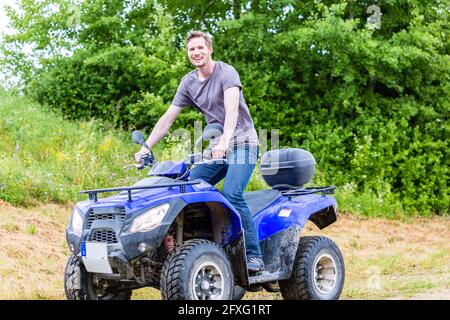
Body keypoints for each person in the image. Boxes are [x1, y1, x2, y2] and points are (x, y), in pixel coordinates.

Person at [134, 31, 264, 272]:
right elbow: (168, 118)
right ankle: (192, 247)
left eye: (200, 48)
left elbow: (232, 111)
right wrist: (146, 146)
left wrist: (225, 141)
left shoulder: (226, 73)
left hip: (243, 144)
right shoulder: (188, 82)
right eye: (191, 49)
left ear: (210, 49)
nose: (196, 53)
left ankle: (253, 255)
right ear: (188, 53)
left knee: (232, 193)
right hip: (218, 148)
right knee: (186, 187)